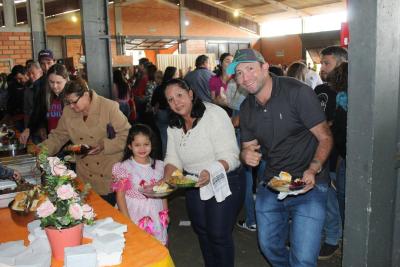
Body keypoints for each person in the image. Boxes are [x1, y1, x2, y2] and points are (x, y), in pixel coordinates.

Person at [228, 48, 333, 266]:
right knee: (268, 246)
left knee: (303, 258)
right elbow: (249, 148)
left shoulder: (297, 92)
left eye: (250, 69)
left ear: (265, 67)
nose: (244, 77)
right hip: (273, 182)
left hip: (309, 184)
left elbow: (325, 138)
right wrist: (244, 154)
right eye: (238, 73)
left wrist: (313, 169)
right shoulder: (247, 107)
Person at [163, 78, 244, 267]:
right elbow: (173, 158)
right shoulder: (174, 124)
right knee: (201, 230)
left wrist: (210, 171)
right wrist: (167, 176)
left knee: (218, 233)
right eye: (170, 99)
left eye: (180, 95)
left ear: (191, 94)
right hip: (193, 182)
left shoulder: (214, 114)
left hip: (224, 178)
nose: (176, 102)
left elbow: (232, 156)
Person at [40, 78, 131, 205]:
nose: (71, 106)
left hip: (109, 172)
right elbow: (58, 136)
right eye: (68, 102)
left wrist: (104, 145)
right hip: (85, 175)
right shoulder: (68, 111)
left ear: (86, 94)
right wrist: (42, 151)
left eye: (74, 102)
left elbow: (127, 135)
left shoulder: (108, 107)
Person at [314, 46, 347, 260]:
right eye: (321, 63)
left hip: (336, 156)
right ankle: (333, 237)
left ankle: (334, 239)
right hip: (325, 154)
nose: (322, 68)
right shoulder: (321, 90)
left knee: (333, 201)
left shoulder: (345, 92)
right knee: (328, 200)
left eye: (327, 63)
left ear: (341, 63)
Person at [111, 124, 168, 245]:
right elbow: (120, 196)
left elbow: (162, 192)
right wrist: (127, 220)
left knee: (156, 245)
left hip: (156, 210)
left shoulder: (159, 166)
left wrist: (165, 212)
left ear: (151, 144)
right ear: (130, 146)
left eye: (146, 144)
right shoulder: (124, 167)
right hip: (134, 212)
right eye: (137, 145)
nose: (142, 148)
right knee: (138, 244)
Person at [19, 64, 68, 145]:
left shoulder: (72, 97)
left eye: (58, 82)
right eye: (51, 82)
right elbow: (38, 113)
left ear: (66, 80)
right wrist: (30, 129)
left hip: (68, 142)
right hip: (51, 140)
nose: (54, 86)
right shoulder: (45, 94)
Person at [151, 66, 178, 158]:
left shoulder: (159, 88)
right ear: (173, 75)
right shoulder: (176, 88)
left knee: (164, 137)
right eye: (176, 74)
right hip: (174, 113)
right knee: (176, 136)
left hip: (161, 113)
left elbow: (153, 102)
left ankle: (165, 159)